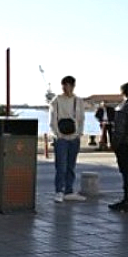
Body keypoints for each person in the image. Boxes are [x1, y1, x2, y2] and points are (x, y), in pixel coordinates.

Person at [48, 75, 86, 203]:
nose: (66, 88)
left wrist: (79, 134)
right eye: (64, 85)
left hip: (74, 137)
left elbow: (81, 119)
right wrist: (57, 134)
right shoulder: (56, 100)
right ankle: (59, 191)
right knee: (61, 166)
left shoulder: (79, 101)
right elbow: (52, 119)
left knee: (71, 165)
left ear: (73, 86)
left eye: (69, 85)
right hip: (61, 138)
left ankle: (69, 190)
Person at [108, 82, 128, 213]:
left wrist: (114, 145)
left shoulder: (123, 108)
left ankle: (127, 201)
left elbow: (119, 131)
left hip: (127, 145)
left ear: (123, 92)